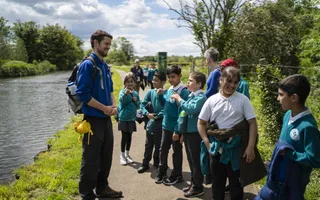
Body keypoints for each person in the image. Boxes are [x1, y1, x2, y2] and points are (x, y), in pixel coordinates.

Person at [255, 75, 320, 200]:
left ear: (294, 98)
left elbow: (315, 159)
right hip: (275, 181)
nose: (278, 98)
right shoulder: (287, 115)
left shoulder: (307, 127)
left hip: (293, 186)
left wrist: (292, 154)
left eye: (281, 94)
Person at [198, 67, 258, 200]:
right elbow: (201, 123)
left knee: (236, 185)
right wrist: (207, 143)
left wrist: (250, 147)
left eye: (235, 82)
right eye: (228, 81)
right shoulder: (211, 100)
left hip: (236, 151)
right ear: (220, 80)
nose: (232, 85)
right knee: (217, 185)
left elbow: (252, 123)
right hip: (216, 150)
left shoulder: (243, 100)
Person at [76, 30, 122, 200]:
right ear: (96, 43)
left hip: (105, 119)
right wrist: (104, 108)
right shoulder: (88, 65)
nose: (108, 47)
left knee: (106, 156)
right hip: (93, 120)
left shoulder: (104, 65)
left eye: (109, 44)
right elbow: (83, 94)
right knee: (90, 159)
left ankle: (102, 188)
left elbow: (109, 90)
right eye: (106, 44)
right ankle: (87, 195)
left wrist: (113, 105)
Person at [170, 72, 207, 197]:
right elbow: (184, 113)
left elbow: (190, 109)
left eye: (191, 81)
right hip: (188, 133)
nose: (187, 83)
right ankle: (194, 183)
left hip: (195, 134)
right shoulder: (192, 96)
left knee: (196, 161)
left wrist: (179, 99)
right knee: (191, 160)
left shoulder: (201, 97)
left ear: (199, 84)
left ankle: (198, 187)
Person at [155, 65, 190, 185]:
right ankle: (162, 171)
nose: (170, 79)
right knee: (163, 150)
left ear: (180, 76)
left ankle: (177, 174)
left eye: (173, 77)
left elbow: (183, 113)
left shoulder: (184, 92)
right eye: (169, 77)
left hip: (175, 128)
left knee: (177, 152)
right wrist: (160, 96)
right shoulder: (170, 89)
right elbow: (165, 105)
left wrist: (178, 131)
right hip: (166, 126)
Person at [137, 71, 167, 173]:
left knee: (159, 145)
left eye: (156, 80)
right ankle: (145, 164)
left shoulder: (167, 93)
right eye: (153, 80)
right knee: (148, 144)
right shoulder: (150, 92)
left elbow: (167, 108)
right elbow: (142, 104)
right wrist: (147, 114)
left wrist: (159, 115)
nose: (153, 82)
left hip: (160, 122)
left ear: (163, 82)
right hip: (150, 120)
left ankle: (157, 163)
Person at [118, 72, 140, 165]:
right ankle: (122, 156)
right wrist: (125, 95)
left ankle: (127, 154)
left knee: (129, 137)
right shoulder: (122, 92)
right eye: (128, 82)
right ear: (125, 83)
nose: (130, 84)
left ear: (134, 83)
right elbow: (122, 101)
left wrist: (135, 101)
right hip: (123, 118)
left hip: (131, 118)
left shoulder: (135, 93)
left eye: (131, 81)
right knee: (124, 137)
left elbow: (138, 106)